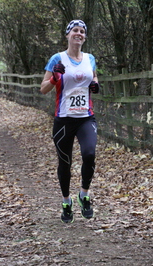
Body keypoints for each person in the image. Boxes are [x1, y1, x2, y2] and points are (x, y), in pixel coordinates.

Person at [40, 20, 100, 223]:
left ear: (85, 37)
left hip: (85, 117)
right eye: (75, 30)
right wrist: (55, 78)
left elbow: (94, 78)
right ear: (67, 35)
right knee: (65, 163)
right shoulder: (57, 59)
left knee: (89, 154)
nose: (79, 34)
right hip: (63, 119)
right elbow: (43, 89)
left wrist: (95, 85)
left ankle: (84, 195)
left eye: (82, 31)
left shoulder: (90, 59)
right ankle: (66, 201)